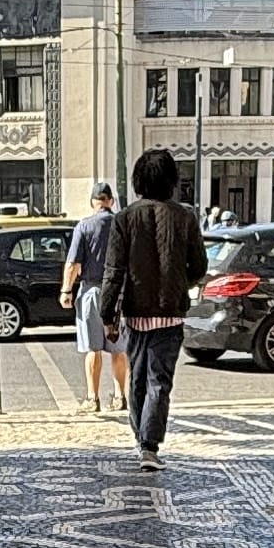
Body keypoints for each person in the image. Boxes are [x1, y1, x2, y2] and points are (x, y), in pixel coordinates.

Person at [102, 149, 208, 472]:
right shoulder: (186, 217)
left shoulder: (124, 219)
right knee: (159, 380)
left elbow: (113, 271)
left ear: (138, 180)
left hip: (135, 313)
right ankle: (149, 445)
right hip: (170, 313)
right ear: (172, 180)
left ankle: (141, 438)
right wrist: (179, 282)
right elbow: (200, 266)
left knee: (137, 378)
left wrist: (109, 316)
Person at [61, 181, 126, 416]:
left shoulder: (85, 226)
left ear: (93, 202)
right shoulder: (122, 224)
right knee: (118, 349)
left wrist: (66, 291)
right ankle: (120, 396)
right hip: (119, 292)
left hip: (92, 291)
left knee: (93, 348)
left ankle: (92, 397)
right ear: (111, 201)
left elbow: (73, 264)